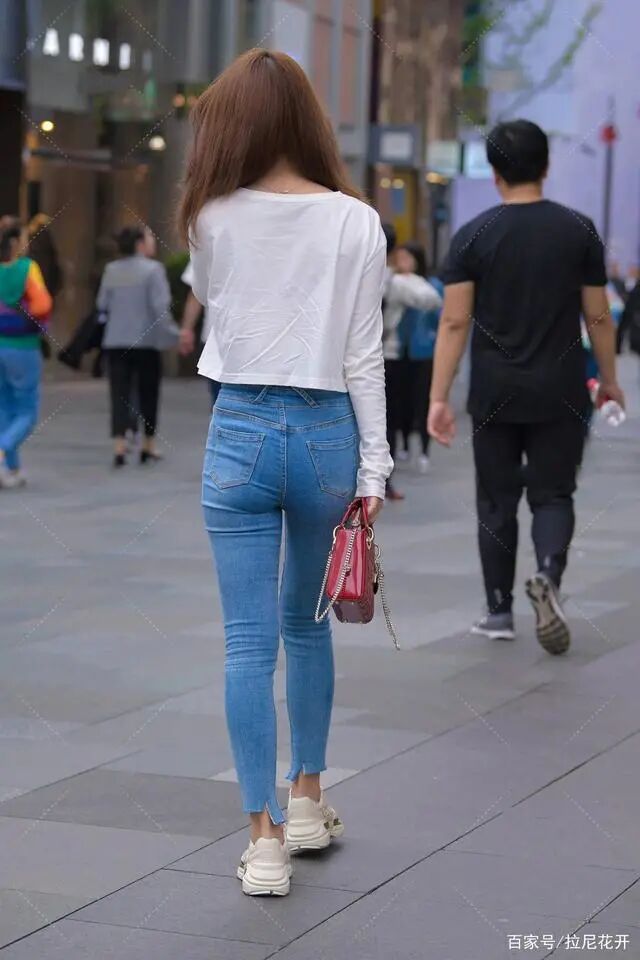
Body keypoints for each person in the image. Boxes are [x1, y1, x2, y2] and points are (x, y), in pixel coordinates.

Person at [178, 48, 392, 897]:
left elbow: (211, 301)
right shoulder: (356, 221)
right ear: (307, 119)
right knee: (308, 625)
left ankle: (262, 842)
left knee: (246, 643)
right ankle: (307, 798)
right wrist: (374, 468)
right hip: (324, 434)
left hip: (238, 430)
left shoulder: (210, 216)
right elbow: (364, 354)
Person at [428, 119, 624, 655]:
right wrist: (609, 380)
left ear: (494, 172)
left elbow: (454, 322)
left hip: (494, 390)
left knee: (496, 500)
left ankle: (498, 611)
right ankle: (548, 575)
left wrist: (438, 397)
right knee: (553, 494)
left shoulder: (473, 235)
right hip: (562, 388)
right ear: (546, 166)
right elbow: (598, 317)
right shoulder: (578, 230)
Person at [96, 225, 172, 468]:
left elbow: (102, 304)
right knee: (149, 392)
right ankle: (148, 444)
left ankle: (119, 446)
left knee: (119, 394)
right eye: (150, 237)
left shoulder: (111, 270)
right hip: (146, 342)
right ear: (140, 244)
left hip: (116, 341)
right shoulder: (154, 270)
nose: (153, 241)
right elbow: (160, 308)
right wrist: (173, 335)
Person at [382, 229, 441, 498]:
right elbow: (432, 299)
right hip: (386, 355)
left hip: (358, 357)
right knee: (385, 421)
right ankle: (383, 482)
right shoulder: (395, 280)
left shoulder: (359, 273)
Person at [0, 220, 52, 488]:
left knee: (5, 408)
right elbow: (43, 304)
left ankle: (12, 469)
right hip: (23, 347)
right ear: (16, 243)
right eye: (24, 238)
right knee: (27, 413)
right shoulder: (27, 268)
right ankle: (2, 450)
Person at [395, 243, 443, 473]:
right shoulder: (395, 283)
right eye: (399, 258)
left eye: (407, 258)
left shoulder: (431, 286)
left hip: (424, 351)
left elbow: (440, 318)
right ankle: (403, 444)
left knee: (422, 401)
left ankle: (424, 450)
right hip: (399, 350)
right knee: (401, 401)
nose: (402, 263)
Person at [178, 260, 221, 404]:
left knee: (218, 400)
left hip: (216, 336)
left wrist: (186, 330)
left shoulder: (210, 245)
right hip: (220, 338)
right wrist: (186, 330)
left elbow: (195, 294)